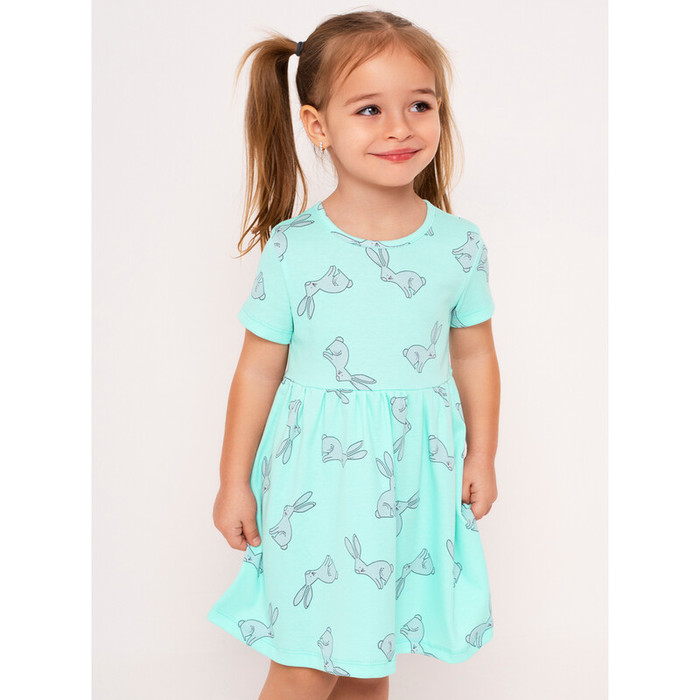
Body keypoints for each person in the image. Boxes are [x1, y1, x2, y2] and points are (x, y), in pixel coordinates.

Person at [207, 9, 500, 700]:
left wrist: (482, 455)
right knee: (305, 664)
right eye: (370, 109)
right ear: (317, 126)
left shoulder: (458, 244)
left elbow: (475, 356)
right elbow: (257, 368)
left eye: (420, 105)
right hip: (320, 479)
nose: (400, 127)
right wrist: (233, 480)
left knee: (370, 658)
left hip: (415, 477)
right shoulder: (295, 247)